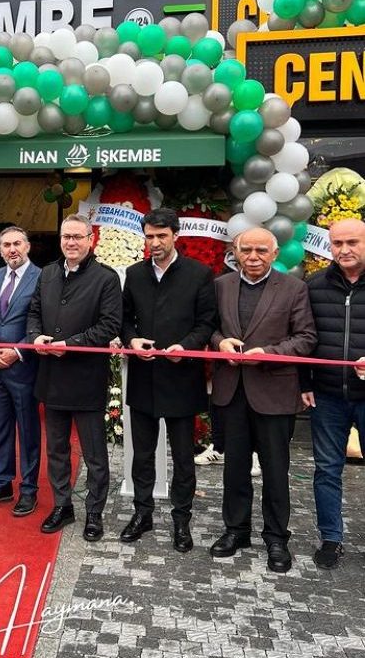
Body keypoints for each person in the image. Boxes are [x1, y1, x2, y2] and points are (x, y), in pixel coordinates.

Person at [209, 227, 316, 573]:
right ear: (236, 252)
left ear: (274, 253)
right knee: (234, 468)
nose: (253, 257)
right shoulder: (221, 285)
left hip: (274, 391)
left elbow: (306, 337)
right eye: (247, 250)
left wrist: (269, 353)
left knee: (275, 470)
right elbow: (209, 327)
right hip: (232, 390)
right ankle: (236, 530)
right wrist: (220, 342)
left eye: (261, 251)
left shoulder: (294, 288)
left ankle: (276, 538)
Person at [120, 208, 217, 552]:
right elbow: (124, 318)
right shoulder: (135, 273)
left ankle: (181, 520)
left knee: (183, 457)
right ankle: (142, 513)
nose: (155, 242)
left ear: (176, 235)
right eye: (150, 236)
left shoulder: (199, 274)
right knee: (142, 454)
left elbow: (207, 322)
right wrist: (132, 340)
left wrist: (186, 347)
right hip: (144, 376)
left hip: (182, 377)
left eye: (162, 236)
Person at [27, 213, 122, 542]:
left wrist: (70, 344)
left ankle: (94, 512)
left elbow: (110, 325)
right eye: (66, 236)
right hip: (51, 377)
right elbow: (34, 311)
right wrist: (35, 336)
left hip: (86, 378)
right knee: (56, 448)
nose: (71, 242)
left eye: (77, 237)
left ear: (90, 240)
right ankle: (62, 505)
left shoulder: (106, 278)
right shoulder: (48, 273)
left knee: (94, 454)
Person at [303, 218, 365, 569]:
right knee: (327, 469)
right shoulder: (314, 285)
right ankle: (331, 538)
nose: (343, 249)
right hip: (327, 395)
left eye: (352, 242)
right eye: (337, 243)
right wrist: (304, 382)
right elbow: (303, 336)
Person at [0, 226, 42, 516]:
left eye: (17, 243)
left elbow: (42, 322)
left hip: (24, 367)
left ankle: (28, 489)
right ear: (0, 250)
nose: (12, 249)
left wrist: (17, 351)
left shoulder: (42, 278)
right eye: (6, 245)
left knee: (28, 431)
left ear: (27, 246)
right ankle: (2, 484)